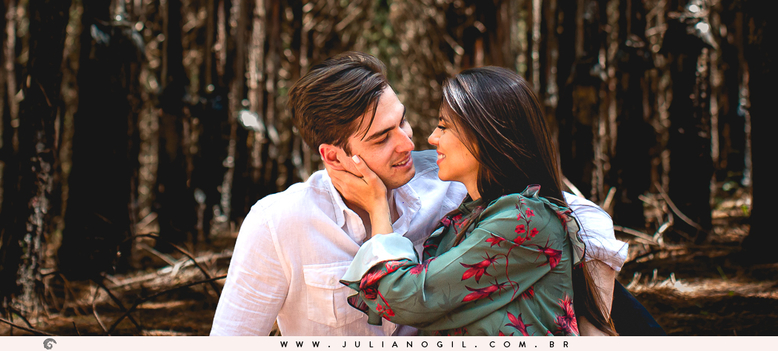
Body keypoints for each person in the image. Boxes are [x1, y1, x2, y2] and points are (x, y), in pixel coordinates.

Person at [209, 52, 628, 336]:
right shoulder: (278, 222)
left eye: (403, 122)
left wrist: (577, 268)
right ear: (333, 155)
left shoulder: (445, 179)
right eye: (382, 138)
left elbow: (572, 211)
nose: (411, 142)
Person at [335, 66, 613, 335]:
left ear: (485, 136)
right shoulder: (472, 216)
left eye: (443, 126)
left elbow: (405, 300)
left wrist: (378, 207)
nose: (431, 138)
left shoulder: (525, 220)